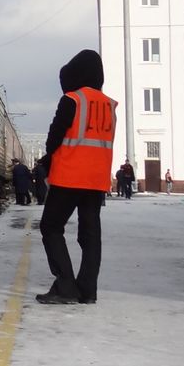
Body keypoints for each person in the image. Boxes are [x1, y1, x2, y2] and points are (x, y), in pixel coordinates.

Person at [35, 49, 117, 305]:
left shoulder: (73, 99)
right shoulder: (109, 105)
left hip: (69, 177)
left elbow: (53, 139)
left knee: (50, 226)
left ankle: (66, 285)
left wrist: (48, 159)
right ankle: (88, 290)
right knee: (90, 235)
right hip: (96, 181)